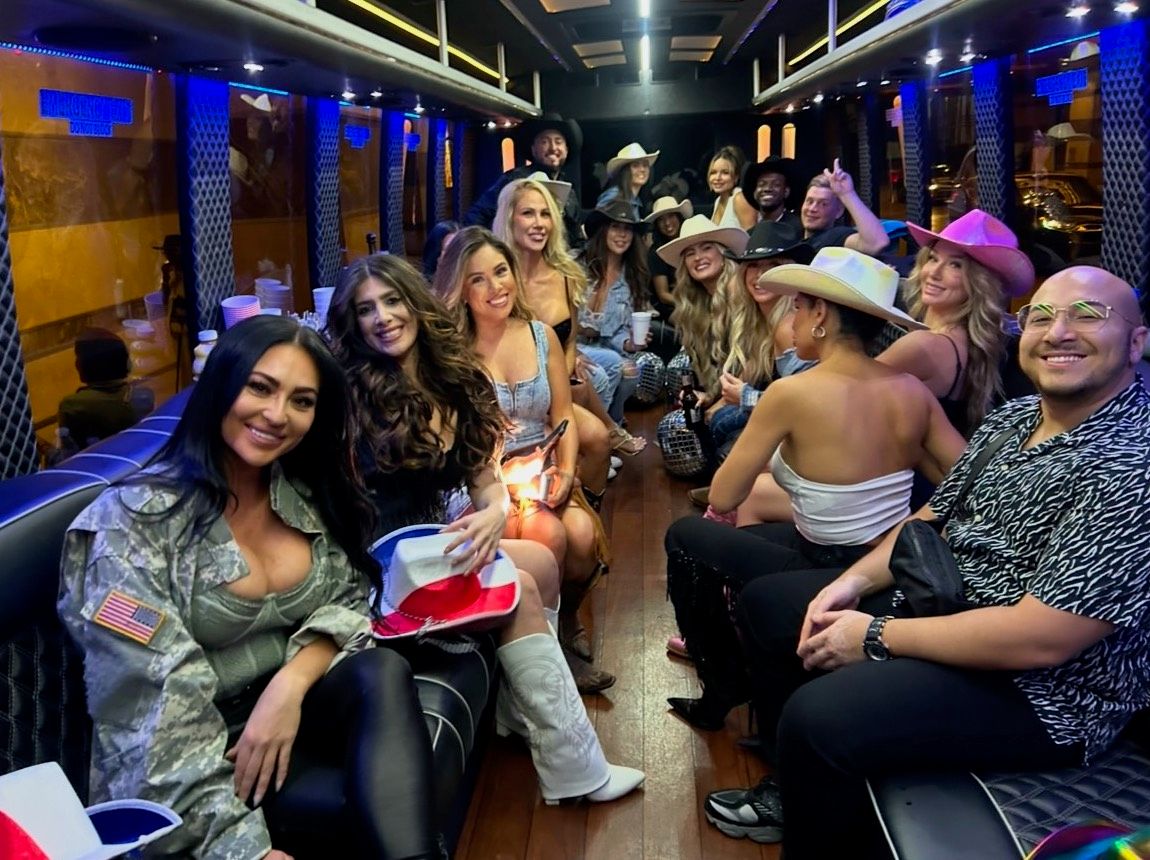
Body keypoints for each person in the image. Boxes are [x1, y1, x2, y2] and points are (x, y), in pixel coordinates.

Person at [705, 266, 1150, 858]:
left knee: (820, 718)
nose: (1058, 332)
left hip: (1043, 694)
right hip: (950, 598)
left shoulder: (1130, 465)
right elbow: (931, 518)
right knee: (772, 605)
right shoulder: (1017, 419)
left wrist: (876, 636)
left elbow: (1043, 638)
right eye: (1041, 316)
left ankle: (819, 799)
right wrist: (852, 580)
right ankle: (806, 789)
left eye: (1087, 315)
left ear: (1138, 342)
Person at [58, 316, 443, 859]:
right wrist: (245, 850)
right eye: (259, 387)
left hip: (293, 720)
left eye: (302, 401)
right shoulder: (129, 525)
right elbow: (154, 717)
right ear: (220, 384)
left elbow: (353, 599)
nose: (276, 415)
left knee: (382, 670)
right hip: (193, 764)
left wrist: (289, 686)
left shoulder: (304, 493)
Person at [327, 253, 643, 797]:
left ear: (416, 304)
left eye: (392, 301)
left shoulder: (450, 378)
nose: (382, 317)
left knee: (543, 558)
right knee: (520, 587)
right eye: (365, 310)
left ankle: (518, 712)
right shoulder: (354, 395)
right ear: (353, 324)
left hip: (434, 551)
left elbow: (485, 480)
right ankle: (573, 767)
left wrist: (495, 513)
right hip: (380, 570)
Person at [664, 248, 967, 731]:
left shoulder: (792, 393)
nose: (793, 318)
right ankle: (748, 667)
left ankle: (724, 679)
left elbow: (722, 496)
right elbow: (971, 479)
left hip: (827, 564)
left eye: (799, 307)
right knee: (752, 542)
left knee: (685, 538)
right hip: (888, 564)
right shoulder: (912, 388)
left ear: (821, 313)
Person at [432, 228, 618, 693]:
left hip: (546, 466)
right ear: (460, 290)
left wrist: (568, 471)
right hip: (483, 478)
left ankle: (561, 621)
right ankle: (540, 663)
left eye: (501, 272)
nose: (496, 288)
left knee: (578, 533)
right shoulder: (450, 353)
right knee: (551, 534)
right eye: (478, 280)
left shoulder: (540, 337)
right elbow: (455, 442)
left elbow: (563, 416)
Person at [492, 177, 645, 470]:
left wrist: (564, 375)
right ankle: (610, 430)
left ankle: (590, 480)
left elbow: (570, 339)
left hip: (555, 388)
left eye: (545, 214)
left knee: (596, 434)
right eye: (528, 213)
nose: (539, 223)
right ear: (509, 218)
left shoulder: (567, 274)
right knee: (590, 387)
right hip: (513, 396)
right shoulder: (499, 280)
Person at [706, 221, 816, 466]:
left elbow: (806, 405)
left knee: (725, 428)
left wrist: (745, 395)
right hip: (790, 423)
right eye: (753, 265)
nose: (760, 276)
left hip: (813, 436)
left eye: (773, 266)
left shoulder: (789, 326)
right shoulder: (760, 320)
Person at [657, 214, 748, 400]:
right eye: (690, 253)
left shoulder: (738, 289)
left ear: (722, 254)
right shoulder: (696, 302)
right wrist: (708, 397)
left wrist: (716, 404)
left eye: (706, 248)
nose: (698, 257)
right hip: (726, 392)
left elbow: (747, 362)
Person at [577, 200, 652, 420]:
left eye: (628, 229)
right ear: (603, 230)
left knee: (630, 372)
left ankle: (610, 424)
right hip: (571, 345)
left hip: (607, 348)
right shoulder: (577, 265)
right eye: (615, 227)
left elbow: (620, 332)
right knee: (612, 364)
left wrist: (630, 343)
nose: (622, 235)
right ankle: (605, 429)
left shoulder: (632, 277)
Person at [464, 113, 584, 250]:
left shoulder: (569, 193)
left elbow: (576, 237)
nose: (552, 147)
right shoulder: (515, 180)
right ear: (533, 149)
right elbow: (476, 217)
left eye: (558, 142)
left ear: (566, 150)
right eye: (544, 142)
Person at [57, 328, 154, 448]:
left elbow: (69, 453)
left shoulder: (72, 406)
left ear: (82, 366)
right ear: (126, 363)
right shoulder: (145, 396)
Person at [800, 160, 890, 255]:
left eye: (823, 204)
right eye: (809, 201)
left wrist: (847, 194)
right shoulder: (792, 233)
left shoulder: (836, 236)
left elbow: (877, 243)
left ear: (839, 211)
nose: (812, 209)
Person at [644, 196, 691, 361]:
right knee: (693, 321)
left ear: (679, 217)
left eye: (671, 216)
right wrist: (688, 304)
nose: (667, 223)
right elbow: (663, 295)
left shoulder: (691, 245)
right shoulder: (656, 253)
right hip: (670, 306)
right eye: (661, 220)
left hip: (692, 299)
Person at [595, 142, 659, 221]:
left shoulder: (635, 201)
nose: (642, 169)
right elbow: (597, 224)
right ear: (625, 171)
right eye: (635, 165)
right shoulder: (613, 195)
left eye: (645, 165)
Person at [707, 146, 758, 231]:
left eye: (725, 173)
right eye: (713, 172)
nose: (717, 177)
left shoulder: (740, 198)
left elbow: (752, 239)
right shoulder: (718, 200)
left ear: (736, 177)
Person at [740, 156, 800, 228]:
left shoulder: (797, 231)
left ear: (786, 192)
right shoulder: (751, 235)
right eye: (762, 184)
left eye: (776, 184)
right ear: (754, 192)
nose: (767, 188)